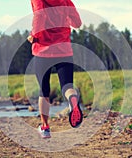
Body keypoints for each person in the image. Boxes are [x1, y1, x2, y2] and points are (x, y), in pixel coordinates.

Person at [27, 0, 83, 138]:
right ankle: (73, 101)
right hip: (64, 50)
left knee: (44, 90)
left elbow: (39, 15)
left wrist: (34, 36)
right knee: (67, 86)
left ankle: (45, 128)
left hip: (43, 50)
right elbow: (77, 23)